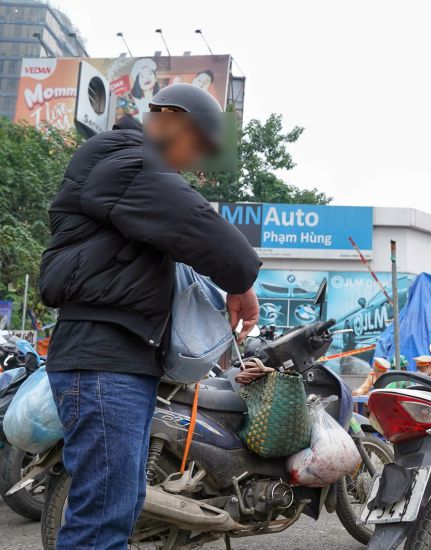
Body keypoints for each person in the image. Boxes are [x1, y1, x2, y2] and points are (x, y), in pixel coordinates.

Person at [39, 83, 261, 549]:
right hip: (103, 361)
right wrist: (241, 280)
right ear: (172, 119)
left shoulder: (129, 166)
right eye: (196, 144)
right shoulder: (126, 158)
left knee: (115, 512)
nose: (193, 160)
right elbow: (198, 226)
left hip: (120, 362)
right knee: (101, 522)